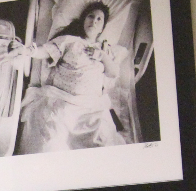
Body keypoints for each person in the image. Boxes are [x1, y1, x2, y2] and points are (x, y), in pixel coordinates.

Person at [13, 1, 126, 154]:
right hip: (61, 102)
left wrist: (102, 56)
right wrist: (30, 52)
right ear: (83, 20)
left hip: (90, 108)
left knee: (103, 142)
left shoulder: (104, 50)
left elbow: (112, 73)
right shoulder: (69, 41)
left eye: (99, 19)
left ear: (103, 27)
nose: (94, 21)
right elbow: (45, 51)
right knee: (49, 142)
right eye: (90, 16)